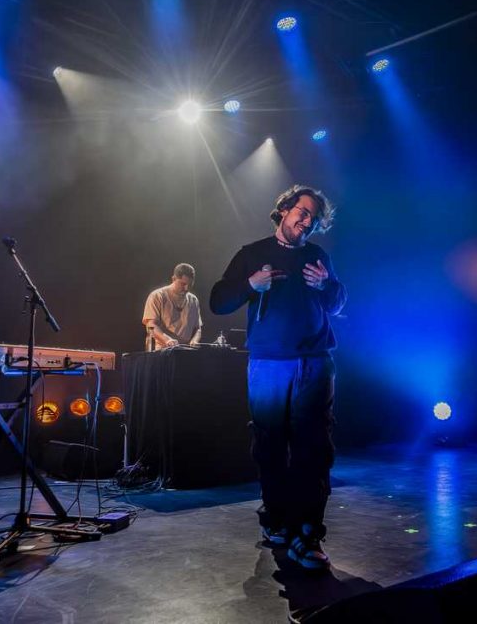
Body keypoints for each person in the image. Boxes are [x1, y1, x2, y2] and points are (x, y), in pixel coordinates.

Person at [210, 185, 346, 570]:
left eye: (314, 218)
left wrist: (327, 286)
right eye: (302, 212)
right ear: (284, 209)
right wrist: (250, 285)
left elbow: (338, 303)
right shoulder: (251, 254)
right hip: (268, 364)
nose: (307, 221)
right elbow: (218, 301)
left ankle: (308, 534)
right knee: (269, 447)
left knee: (314, 449)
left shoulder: (317, 256)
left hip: (314, 363)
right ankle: (277, 520)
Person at [143, 263, 203, 351]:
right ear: (173, 279)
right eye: (183, 284)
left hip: (187, 352)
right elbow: (151, 325)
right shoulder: (157, 296)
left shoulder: (194, 300)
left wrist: (195, 340)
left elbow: (197, 328)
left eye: (190, 284)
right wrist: (167, 340)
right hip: (163, 352)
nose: (186, 288)